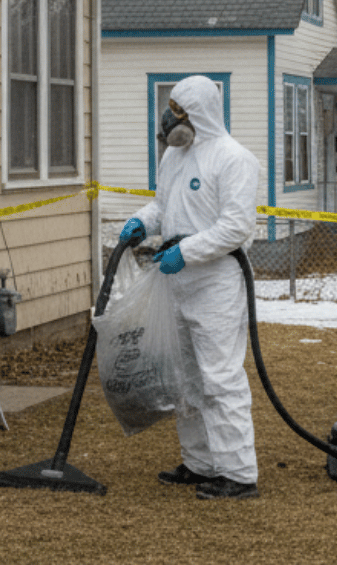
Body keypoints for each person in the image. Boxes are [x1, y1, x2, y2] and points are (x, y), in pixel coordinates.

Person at [118, 74, 260, 500]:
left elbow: (235, 227)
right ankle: (200, 463)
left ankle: (237, 473)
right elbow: (164, 205)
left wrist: (189, 250)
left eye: (178, 110)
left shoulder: (233, 159)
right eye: (170, 108)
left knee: (219, 378)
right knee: (184, 378)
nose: (169, 118)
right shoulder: (175, 156)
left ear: (197, 112)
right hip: (175, 279)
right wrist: (143, 220)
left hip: (215, 283)